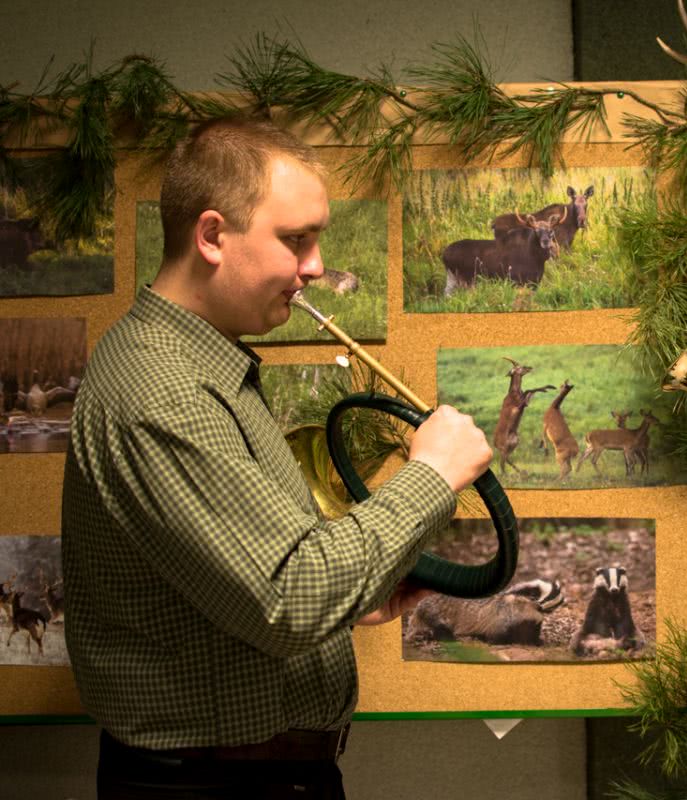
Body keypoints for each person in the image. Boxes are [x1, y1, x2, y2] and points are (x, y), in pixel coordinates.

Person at [61, 116, 493, 799]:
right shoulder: (163, 389)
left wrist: (350, 601)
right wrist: (432, 475)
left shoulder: (202, 366)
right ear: (211, 236)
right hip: (212, 786)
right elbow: (289, 598)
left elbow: (243, 578)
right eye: (296, 240)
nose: (316, 266)